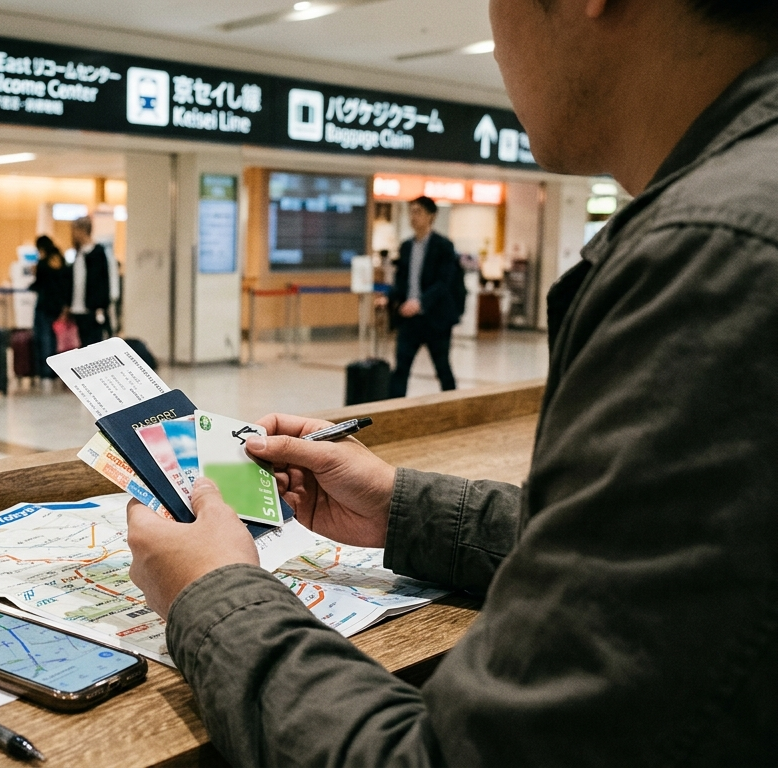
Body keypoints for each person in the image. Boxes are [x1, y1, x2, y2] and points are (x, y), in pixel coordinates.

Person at [125, 1, 778, 765]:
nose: (497, 42)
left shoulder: (716, 261)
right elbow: (682, 558)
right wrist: (406, 511)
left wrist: (213, 591)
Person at [385, 196, 464, 398]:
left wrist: (420, 303)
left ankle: (452, 405)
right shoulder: (406, 247)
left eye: (418, 212)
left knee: (442, 368)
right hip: (409, 320)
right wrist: (390, 299)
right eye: (411, 212)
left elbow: (443, 283)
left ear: (431, 216)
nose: (413, 217)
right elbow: (401, 281)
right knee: (401, 368)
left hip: (435, 319)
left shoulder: (443, 246)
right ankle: (394, 411)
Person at [67, 216, 116, 348]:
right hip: (78, 307)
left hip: (92, 309)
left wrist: (100, 306)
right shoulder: (79, 253)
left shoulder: (97, 253)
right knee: (82, 343)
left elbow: (102, 283)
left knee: (94, 343)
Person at [28, 235, 71, 381]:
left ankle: (45, 370)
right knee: (53, 337)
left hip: (44, 304)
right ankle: (55, 369)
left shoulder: (43, 263)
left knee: (43, 336)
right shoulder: (61, 260)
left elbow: (38, 284)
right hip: (58, 305)